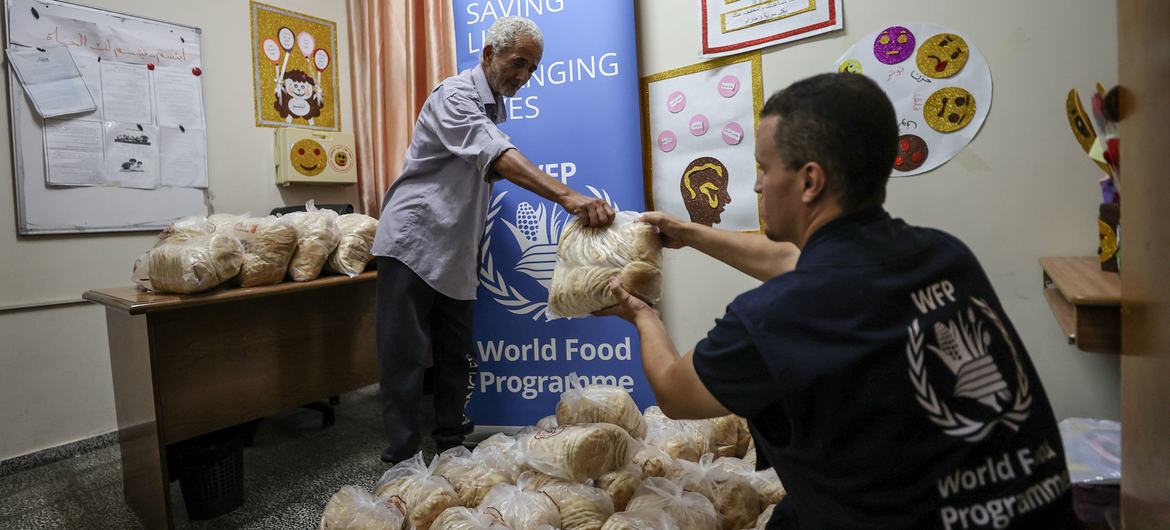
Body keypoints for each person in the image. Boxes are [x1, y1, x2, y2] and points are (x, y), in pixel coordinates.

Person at [601, 73, 1080, 529]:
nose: (757, 185)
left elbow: (673, 392)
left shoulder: (775, 317)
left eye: (765, 169)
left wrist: (643, 314)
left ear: (810, 181)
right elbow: (798, 263)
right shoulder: (944, 253)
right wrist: (691, 233)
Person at [371, 16, 613, 464]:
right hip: (413, 241)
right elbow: (496, 155)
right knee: (403, 358)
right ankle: (401, 461)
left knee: (455, 358)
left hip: (456, 252)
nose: (523, 76)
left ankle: (449, 449)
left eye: (532, 69)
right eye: (518, 63)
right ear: (488, 55)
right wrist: (568, 196)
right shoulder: (455, 95)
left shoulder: (492, 108)